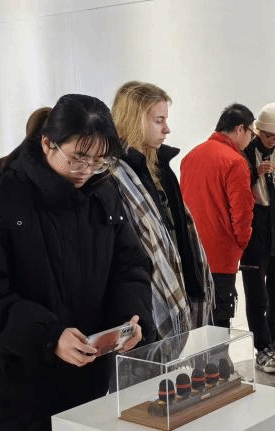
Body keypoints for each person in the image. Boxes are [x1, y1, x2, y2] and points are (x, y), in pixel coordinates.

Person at [0, 95, 155, 431]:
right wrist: (49, 337)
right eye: (78, 158)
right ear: (47, 143)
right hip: (14, 390)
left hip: (85, 382)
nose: (87, 170)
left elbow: (130, 266)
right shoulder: (2, 204)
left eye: (99, 161)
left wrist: (129, 319)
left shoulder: (104, 195)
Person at [110, 81, 214, 340]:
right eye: (159, 120)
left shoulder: (160, 169)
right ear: (134, 119)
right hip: (142, 302)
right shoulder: (113, 176)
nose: (167, 129)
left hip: (180, 286)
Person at [180, 104, 255, 329]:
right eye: (252, 133)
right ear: (240, 129)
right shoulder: (235, 161)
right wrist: (242, 243)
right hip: (221, 255)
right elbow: (242, 212)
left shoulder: (190, 156)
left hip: (191, 251)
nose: (251, 139)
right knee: (219, 323)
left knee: (196, 323)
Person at [240, 101, 275, 373]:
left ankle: (274, 340)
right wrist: (255, 172)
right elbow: (236, 185)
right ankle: (261, 346)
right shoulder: (245, 150)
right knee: (256, 294)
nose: (273, 141)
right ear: (257, 130)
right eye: (268, 136)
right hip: (255, 223)